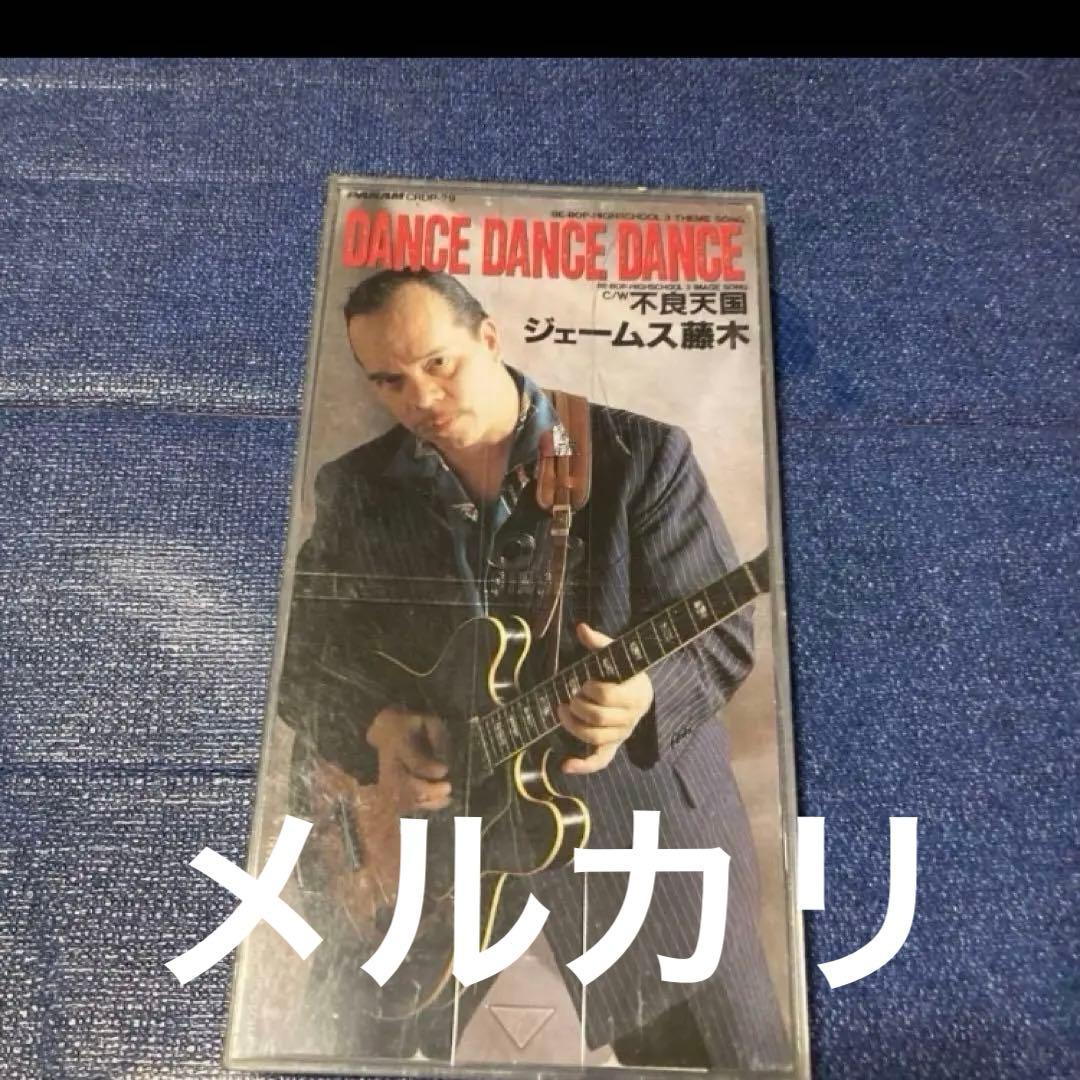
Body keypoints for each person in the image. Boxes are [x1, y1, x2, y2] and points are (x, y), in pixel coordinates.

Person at [276, 268, 789, 1070]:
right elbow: (298, 655)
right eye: (389, 381)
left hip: (634, 835)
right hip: (428, 845)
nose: (421, 398)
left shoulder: (641, 456)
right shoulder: (356, 487)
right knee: (332, 1053)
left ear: (489, 338)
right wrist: (378, 726)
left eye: (439, 363)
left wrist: (643, 694)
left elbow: (721, 638)